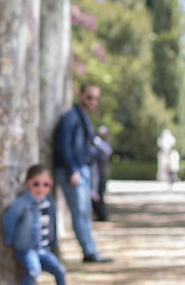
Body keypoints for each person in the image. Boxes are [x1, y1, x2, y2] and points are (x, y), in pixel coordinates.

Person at [53, 83, 113, 263]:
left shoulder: (84, 117)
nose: (93, 101)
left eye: (96, 98)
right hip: (73, 172)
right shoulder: (70, 117)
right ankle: (89, 252)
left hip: (83, 171)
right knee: (80, 212)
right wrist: (72, 170)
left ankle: (91, 250)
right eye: (89, 97)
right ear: (80, 96)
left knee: (85, 212)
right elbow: (62, 146)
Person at [2, 165, 66, 285]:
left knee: (60, 271)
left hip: (44, 249)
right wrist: (9, 241)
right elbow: (8, 221)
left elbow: (52, 224)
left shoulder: (49, 202)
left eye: (46, 184)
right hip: (27, 249)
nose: (41, 189)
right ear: (28, 183)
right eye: (36, 184)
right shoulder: (21, 203)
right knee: (33, 271)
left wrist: (54, 243)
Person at [91, 125, 113, 221]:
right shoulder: (98, 144)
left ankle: (102, 215)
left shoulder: (101, 145)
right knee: (97, 195)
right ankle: (100, 215)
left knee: (99, 194)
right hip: (97, 173)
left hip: (101, 173)